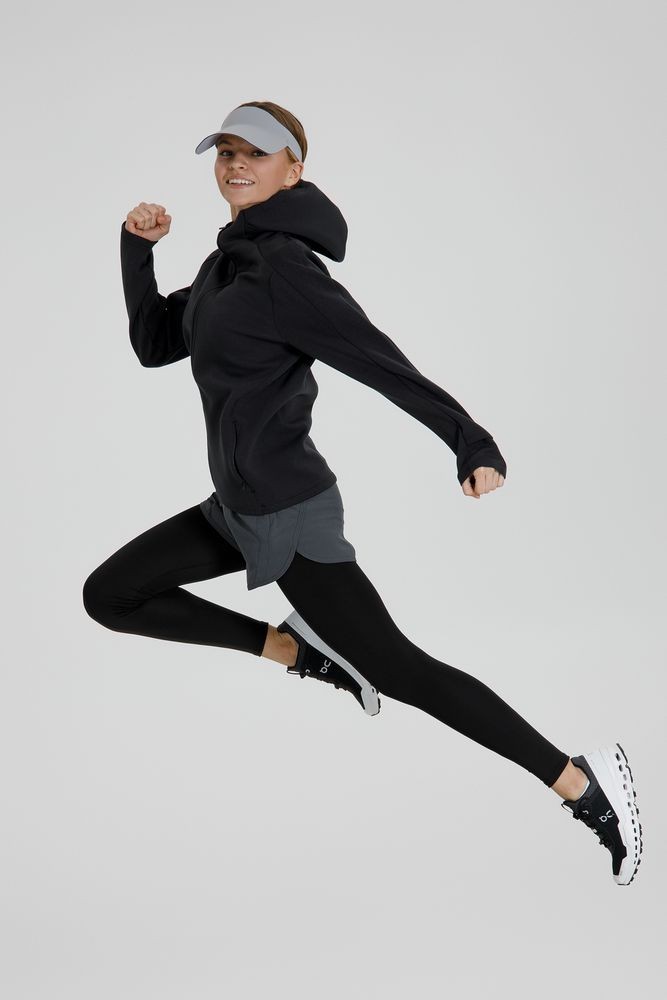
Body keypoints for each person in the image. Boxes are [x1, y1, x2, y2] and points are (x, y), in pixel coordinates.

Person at [82, 101, 643, 885]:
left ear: (294, 170)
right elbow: (153, 343)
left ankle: (583, 786)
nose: (235, 165)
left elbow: (379, 361)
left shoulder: (284, 270)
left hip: (287, 514)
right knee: (111, 595)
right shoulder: (225, 266)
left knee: (403, 670)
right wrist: (135, 250)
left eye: (255, 153)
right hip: (236, 508)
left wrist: (469, 441)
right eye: (226, 152)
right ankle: (299, 651)